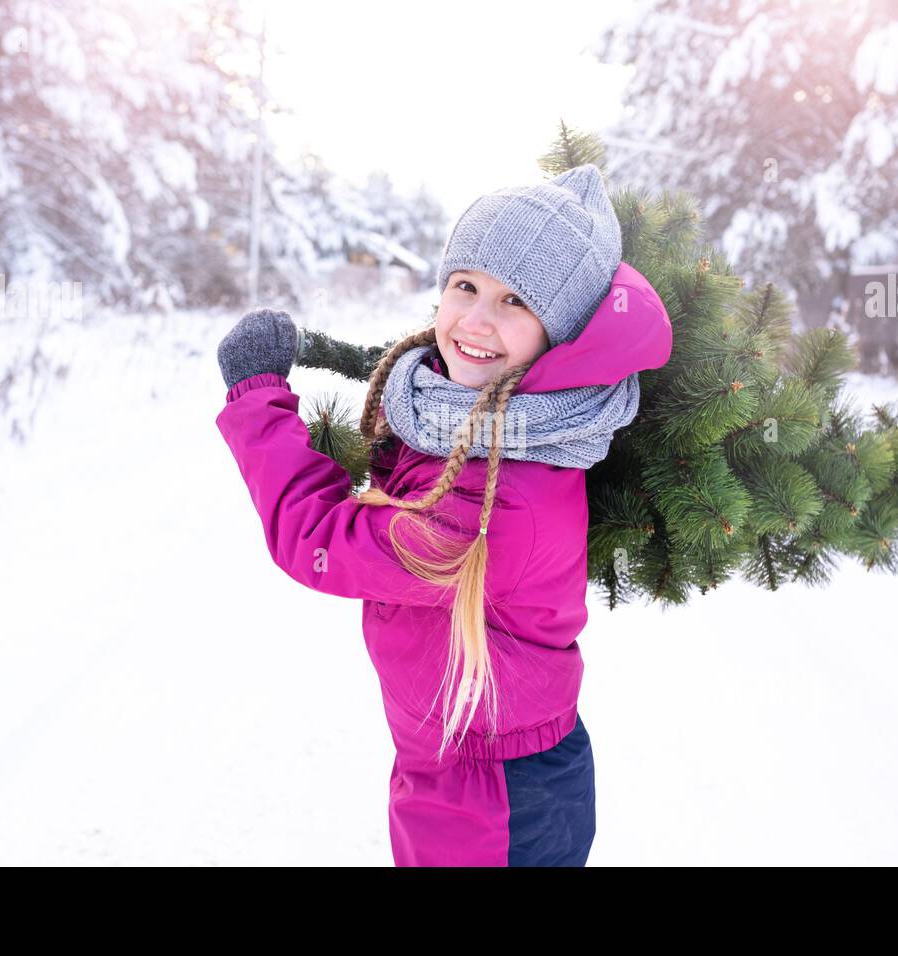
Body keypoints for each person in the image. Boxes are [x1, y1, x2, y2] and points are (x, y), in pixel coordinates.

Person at [214, 164, 672, 866]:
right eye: (466, 286)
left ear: (561, 335)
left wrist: (256, 399)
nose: (477, 320)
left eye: (516, 301)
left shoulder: (503, 499)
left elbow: (318, 539)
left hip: (494, 796)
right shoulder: (478, 418)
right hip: (465, 762)